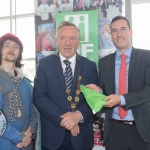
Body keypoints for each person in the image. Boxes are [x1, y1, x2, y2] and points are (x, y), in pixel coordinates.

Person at [86, 15, 150, 150]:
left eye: (123, 29)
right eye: (114, 30)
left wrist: (121, 100)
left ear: (130, 32)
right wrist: (100, 92)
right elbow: (106, 90)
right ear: (111, 34)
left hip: (141, 131)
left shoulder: (147, 57)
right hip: (114, 131)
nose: (119, 34)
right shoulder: (104, 62)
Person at [33, 21, 99, 150]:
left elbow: (95, 99)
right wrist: (68, 120)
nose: (67, 43)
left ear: (79, 41)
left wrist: (78, 116)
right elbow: (39, 97)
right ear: (57, 41)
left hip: (81, 138)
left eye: (72, 38)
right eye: (63, 38)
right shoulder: (44, 65)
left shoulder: (89, 66)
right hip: (52, 137)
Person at [0, 33, 38, 150]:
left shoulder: (25, 82)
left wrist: (29, 133)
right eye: (7, 45)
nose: (11, 49)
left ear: (19, 53)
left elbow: (33, 112)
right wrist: (18, 137)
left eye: (16, 47)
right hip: (4, 143)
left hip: (25, 144)